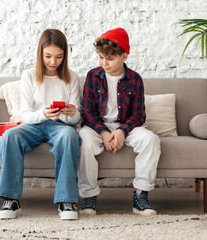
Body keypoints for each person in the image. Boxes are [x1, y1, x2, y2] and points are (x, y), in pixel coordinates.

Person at [0, 29, 81, 220]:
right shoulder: (29, 76)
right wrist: (43, 113)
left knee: (70, 136)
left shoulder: (72, 77)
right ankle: (11, 199)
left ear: (65, 55)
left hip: (61, 126)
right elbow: (25, 115)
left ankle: (66, 200)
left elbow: (76, 120)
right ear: (40, 53)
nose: (53, 62)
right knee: (10, 136)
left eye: (59, 57)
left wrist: (72, 112)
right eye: (48, 56)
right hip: (34, 124)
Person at [78, 28, 161, 216]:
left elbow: (139, 115)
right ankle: (89, 196)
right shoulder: (93, 76)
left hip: (126, 127)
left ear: (124, 56)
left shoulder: (135, 79)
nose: (104, 63)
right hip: (97, 127)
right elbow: (87, 112)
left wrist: (122, 131)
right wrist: (104, 133)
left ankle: (141, 196)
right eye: (100, 57)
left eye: (109, 58)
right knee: (83, 140)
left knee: (150, 139)